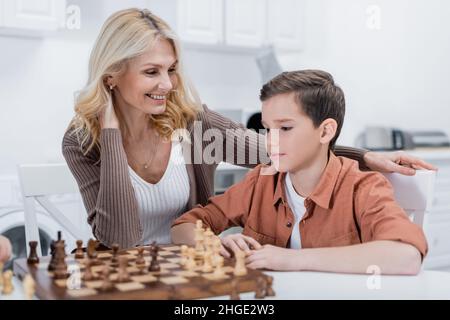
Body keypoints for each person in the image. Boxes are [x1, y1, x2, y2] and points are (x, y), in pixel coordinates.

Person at [63, 8, 436, 249]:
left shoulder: (192, 125)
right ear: (111, 76)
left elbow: (277, 150)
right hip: (123, 280)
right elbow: (122, 239)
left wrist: (365, 156)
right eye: (151, 72)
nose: (168, 84)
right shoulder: (83, 142)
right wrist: (110, 132)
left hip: (191, 271)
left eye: (171, 69)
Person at [171, 70, 428, 275]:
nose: (270, 141)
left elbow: (406, 257)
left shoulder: (364, 188)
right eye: (267, 129)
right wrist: (215, 243)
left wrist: (293, 260)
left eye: (285, 128)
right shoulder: (262, 180)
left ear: (325, 131)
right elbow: (183, 226)